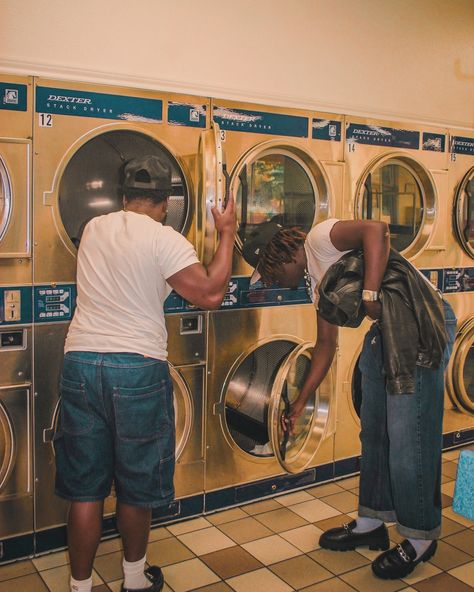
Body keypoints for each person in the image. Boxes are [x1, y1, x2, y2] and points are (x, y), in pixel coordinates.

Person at [54, 155, 236, 592]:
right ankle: (134, 581)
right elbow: (210, 293)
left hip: (80, 361)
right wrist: (226, 233)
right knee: (136, 485)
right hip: (135, 367)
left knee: (86, 489)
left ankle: (80, 588)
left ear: (122, 196)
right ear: (167, 202)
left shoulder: (95, 228)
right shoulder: (165, 238)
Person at [244, 217, 457, 580]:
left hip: (419, 324)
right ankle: (371, 520)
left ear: (281, 257)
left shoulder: (319, 240)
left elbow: (377, 230)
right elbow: (326, 347)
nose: (277, 283)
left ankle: (420, 537)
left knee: (409, 439)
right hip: (385, 331)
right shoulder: (315, 283)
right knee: (374, 436)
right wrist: (300, 402)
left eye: (273, 275)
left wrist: (370, 293)